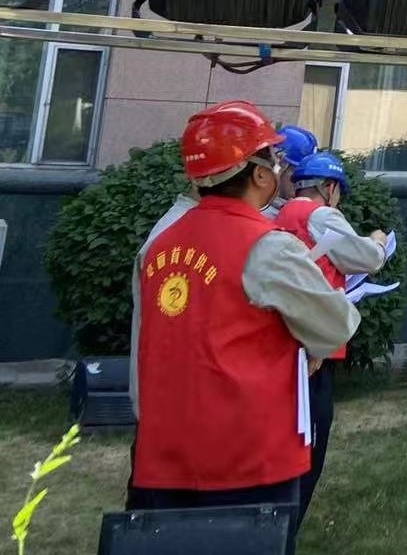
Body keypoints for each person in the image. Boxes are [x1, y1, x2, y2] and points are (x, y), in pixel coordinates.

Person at [128, 102, 359, 550]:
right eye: (274, 160)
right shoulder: (268, 246)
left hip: (166, 455)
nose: (280, 170)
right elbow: (336, 325)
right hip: (249, 459)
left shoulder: (162, 243)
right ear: (258, 174)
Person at [273, 151, 390, 525]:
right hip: (315, 347)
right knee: (312, 441)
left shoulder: (280, 215)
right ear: (329, 187)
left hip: (286, 342)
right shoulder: (320, 215)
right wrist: (377, 241)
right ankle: (286, 528)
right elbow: (366, 258)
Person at [263, 124, 320, 218]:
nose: (301, 183)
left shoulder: (294, 210)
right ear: (279, 167)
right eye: (296, 173)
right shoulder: (260, 210)